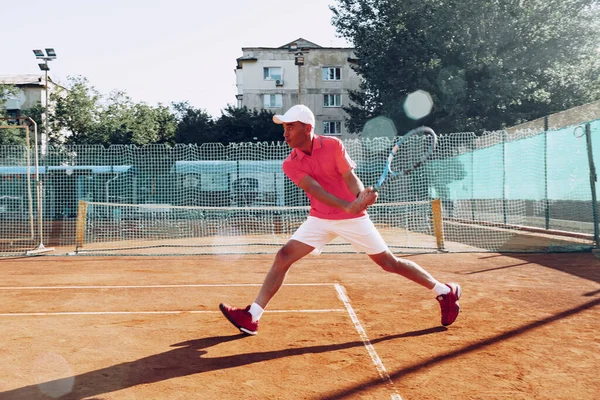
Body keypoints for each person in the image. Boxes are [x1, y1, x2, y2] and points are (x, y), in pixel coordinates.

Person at [219, 105, 460, 335]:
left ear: (307, 128)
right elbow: (315, 190)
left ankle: (444, 291)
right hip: (320, 218)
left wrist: (361, 196)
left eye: (290, 127)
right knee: (283, 256)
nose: (285, 133)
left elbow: (350, 177)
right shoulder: (290, 163)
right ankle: (252, 316)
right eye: (284, 128)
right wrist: (347, 204)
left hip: (353, 219)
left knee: (389, 263)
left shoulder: (333, 145)